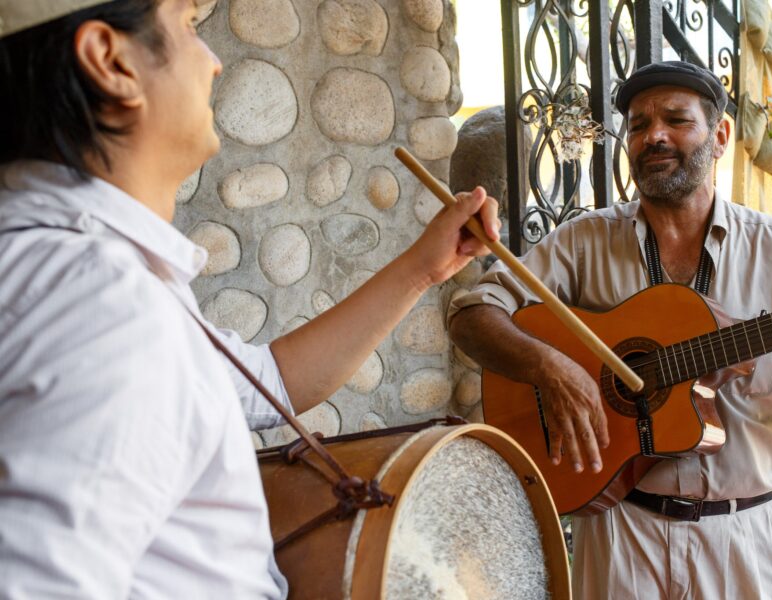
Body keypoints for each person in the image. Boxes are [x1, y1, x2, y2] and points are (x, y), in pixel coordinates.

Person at [0, 1, 499, 598]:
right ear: (111, 61)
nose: (212, 62)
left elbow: (269, 382)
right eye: (185, 26)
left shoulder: (78, 273)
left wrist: (423, 268)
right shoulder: (100, 301)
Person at [448, 60, 772, 599]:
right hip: (621, 532)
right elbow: (472, 312)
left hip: (750, 539)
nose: (653, 135)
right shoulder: (582, 243)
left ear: (721, 135)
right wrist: (550, 368)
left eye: (676, 120)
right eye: (638, 125)